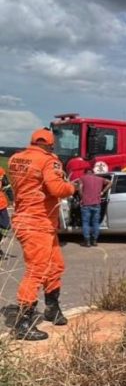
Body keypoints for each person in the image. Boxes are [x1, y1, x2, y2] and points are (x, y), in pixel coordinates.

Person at [8, 128, 76, 341]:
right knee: (36, 270)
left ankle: (52, 308)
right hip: (37, 222)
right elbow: (57, 189)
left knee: (55, 265)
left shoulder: (16, 158)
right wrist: (72, 187)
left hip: (30, 220)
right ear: (50, 145)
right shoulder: (48, 160)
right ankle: (23, 323)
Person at [74, 167, 111, 246]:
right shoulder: (100, 179)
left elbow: (80, 189)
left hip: (86, 204)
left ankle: (87, 241)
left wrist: (82, 198)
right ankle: (94, 241)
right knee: (95, 223)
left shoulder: (82, 178)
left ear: (85, 172)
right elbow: (110, 182)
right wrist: (103, 192)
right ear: (93, 172)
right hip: (96, 204)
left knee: (86, 223)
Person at [0, 166, 12, 258]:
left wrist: (12, 199)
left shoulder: (0, 171)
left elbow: (6, 186)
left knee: (6, 226)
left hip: (1, 205)